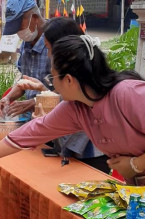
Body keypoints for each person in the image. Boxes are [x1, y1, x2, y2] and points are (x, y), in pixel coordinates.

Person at [0, 34, 145, 192]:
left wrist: (136, 165)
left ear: (69, 80)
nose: (51, 84)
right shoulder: (75, 108)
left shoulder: (128, 94)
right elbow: (32, 132)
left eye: (52, 77)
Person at [21, 17, 109, 173]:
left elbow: (74, 104)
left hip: (91, 154)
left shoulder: (84, 76)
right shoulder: (80, 70)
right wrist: (43, 89)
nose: (48, 54)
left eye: (48, 48)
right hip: (72, 148)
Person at [0, 0, 50, 119]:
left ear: (35, 17)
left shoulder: (56, 40)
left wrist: (35, 102)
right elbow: (24, 81)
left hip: (53, 118)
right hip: (31, 117)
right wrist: (8, 98)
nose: (19, 33)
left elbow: (67, 93)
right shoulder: (27, 44)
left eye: (20, 26)